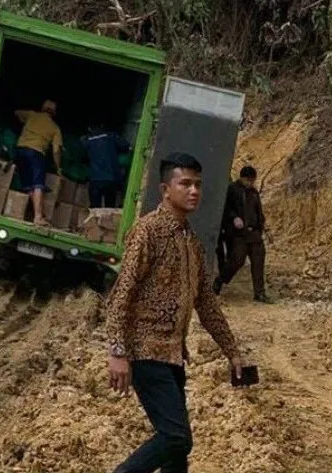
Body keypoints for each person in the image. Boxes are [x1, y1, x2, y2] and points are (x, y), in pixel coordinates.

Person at [105, 152, 244, 473]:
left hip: (172, 356)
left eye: (197, 184)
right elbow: (121, 294)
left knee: (176, 456)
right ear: (165, 189)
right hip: (145, 351)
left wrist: (232, 352)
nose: (194, 191)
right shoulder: (148, 232)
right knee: (176, 437)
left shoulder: (191, 241)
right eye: (185, 184)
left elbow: (206, 303)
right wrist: (117, 352)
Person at [213, 166, 272, 303]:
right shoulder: (232, 189)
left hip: (255, 233)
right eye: (249, 180)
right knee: (236, 261)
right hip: (239, 234)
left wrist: (265, 229)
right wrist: (234, 217)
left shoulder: (254, 192)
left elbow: (259, 213)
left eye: (252, 181)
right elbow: (226, 208)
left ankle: (260, 293)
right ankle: (219, 281)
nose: (251, 183)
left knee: (258, 262)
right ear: (243, 178)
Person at [15, 100, 63, 226]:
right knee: (38, 185)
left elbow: (17, 112)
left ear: (42, 108)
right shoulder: (54, 127)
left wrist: (23, 121)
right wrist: (58, 167)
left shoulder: (31, 115)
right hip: (36, 154)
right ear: (54, 113)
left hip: (20, 151)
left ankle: (33, 213)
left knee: (28, 186)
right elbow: (56, 150)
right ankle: (37, 217)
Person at [80, 125, 131, 208]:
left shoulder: (86, 141)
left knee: (95, 209)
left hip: (96, 179)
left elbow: (82, 158)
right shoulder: (111, 136)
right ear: (102, 126)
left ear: (89, 128)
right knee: (109, 208)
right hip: (112, 179)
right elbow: (126, 146)